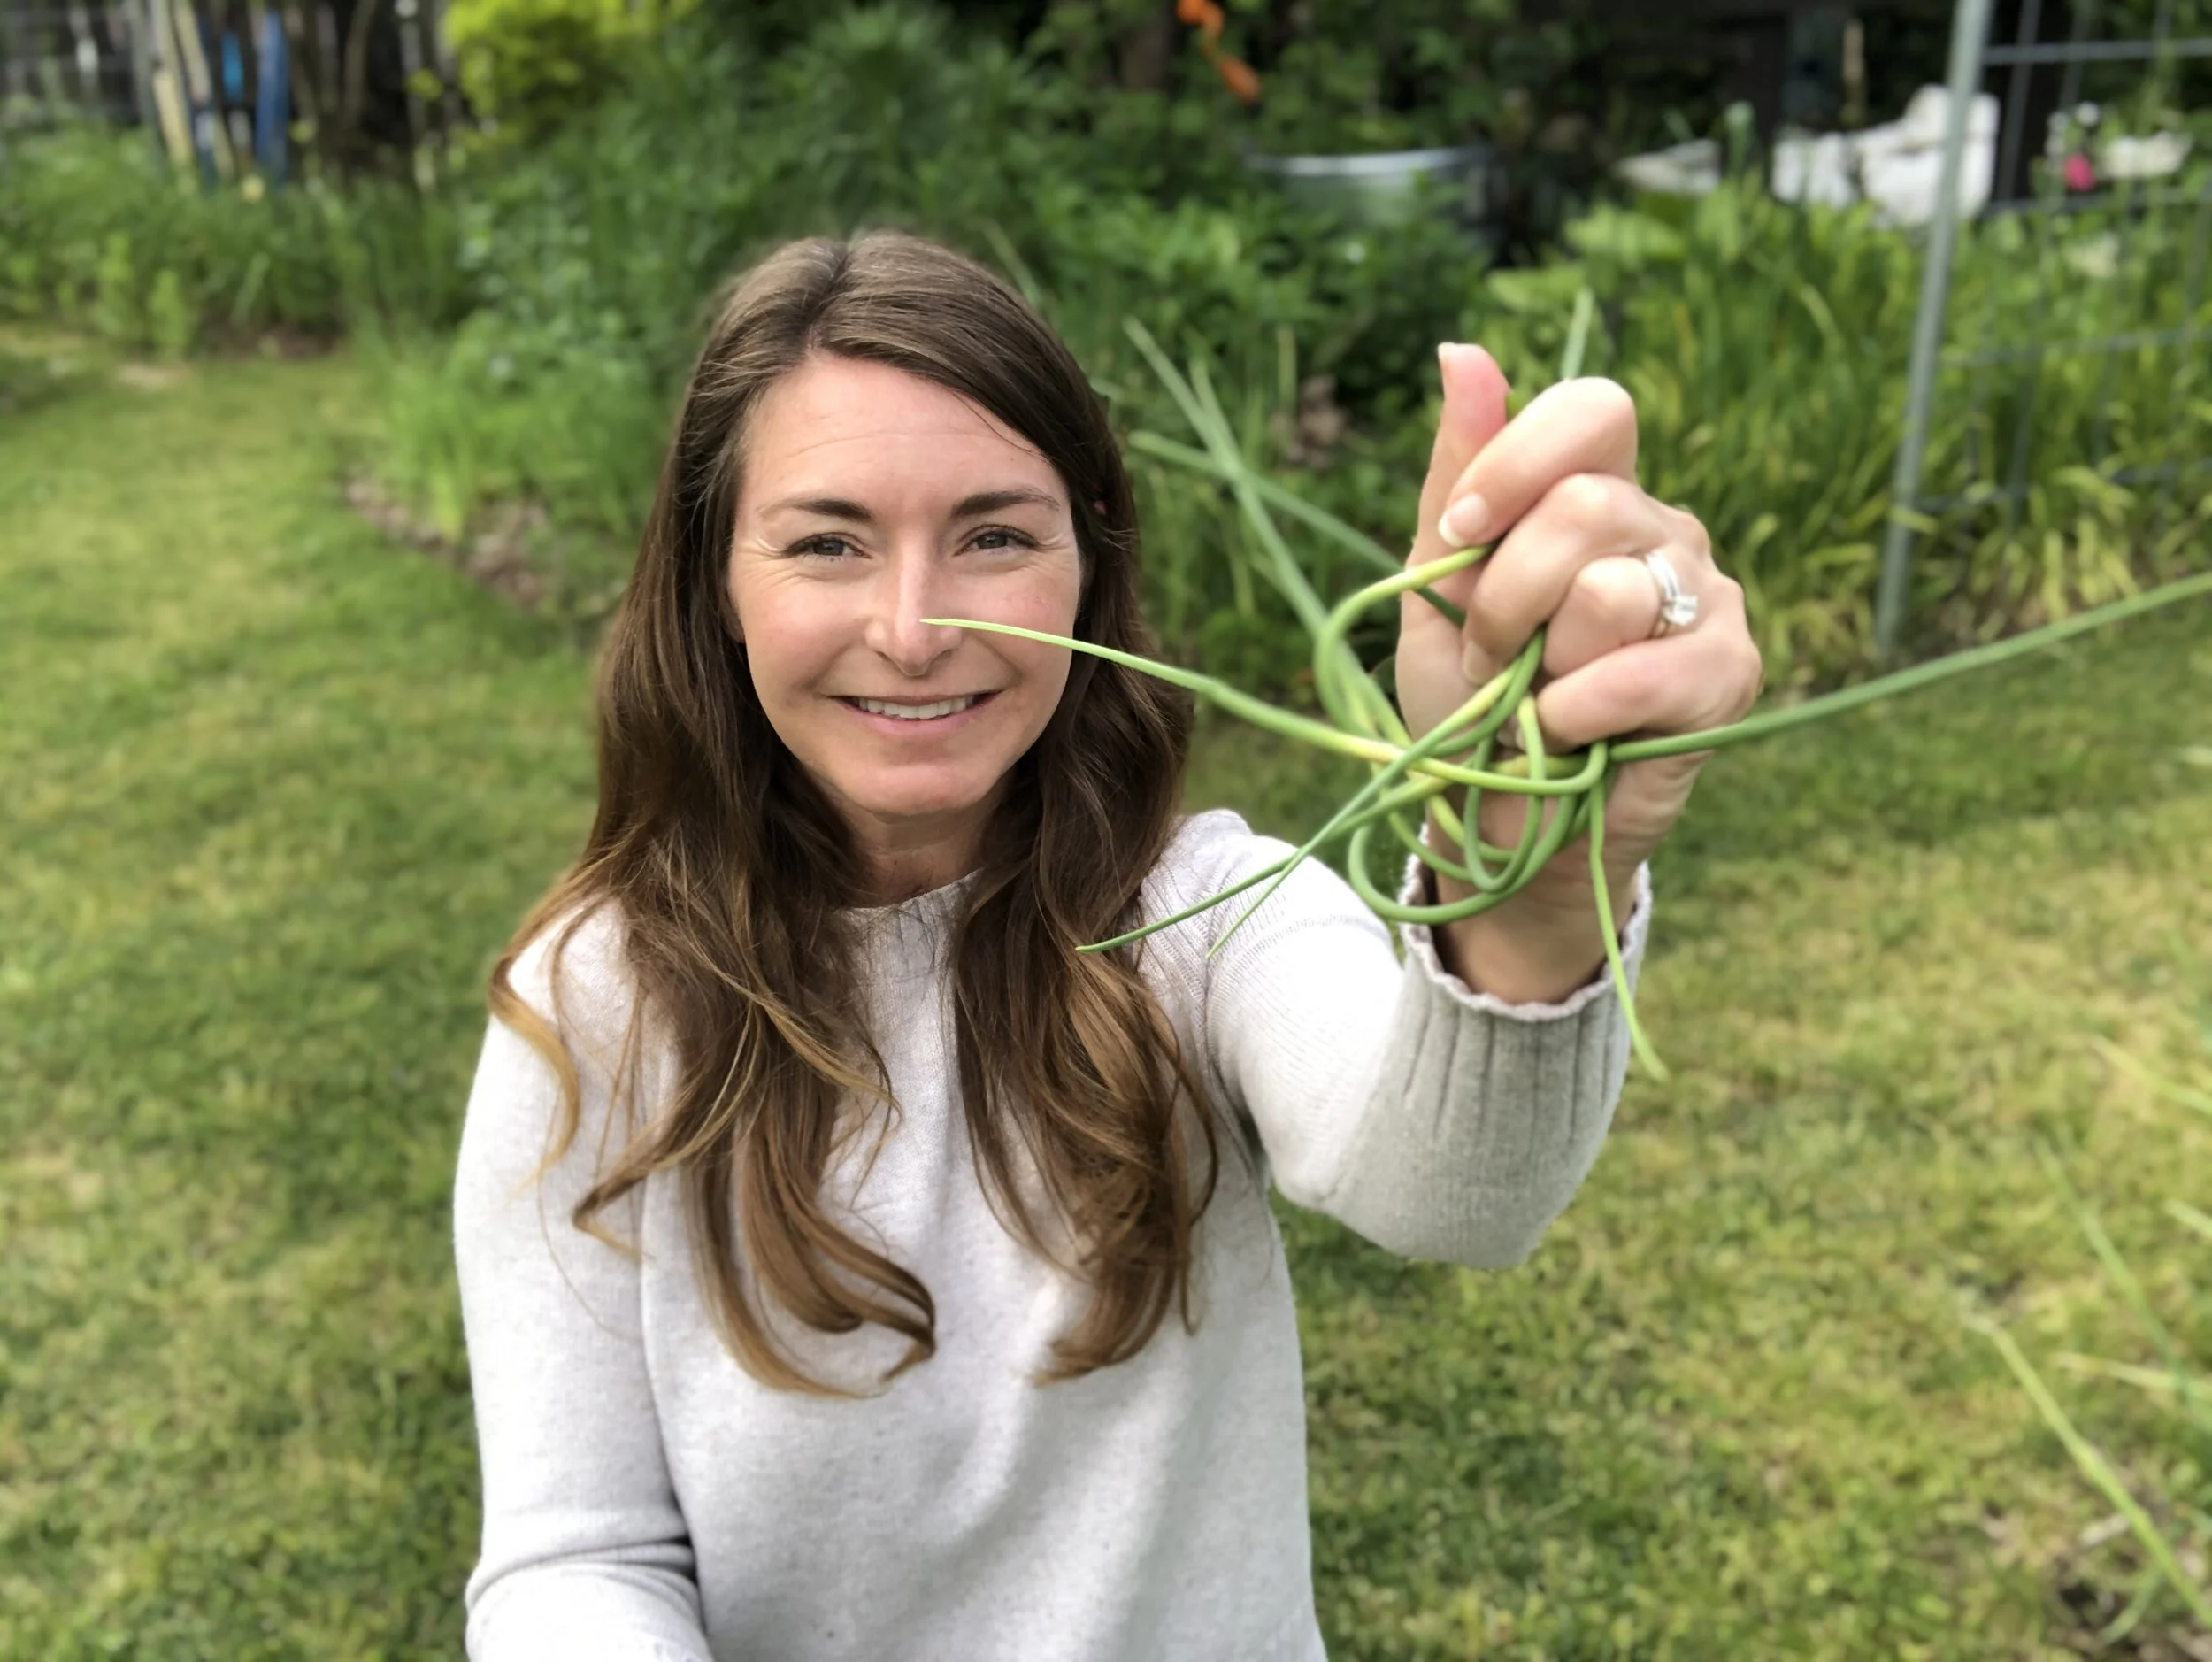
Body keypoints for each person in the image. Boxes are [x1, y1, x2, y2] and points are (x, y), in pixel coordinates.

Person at [451, 231, 1763, 1662]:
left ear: (1088, 565)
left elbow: (1457, 1193)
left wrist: (1539, 887)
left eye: (995, 535)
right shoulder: (593, 1001)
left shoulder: (1202, 916)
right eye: (828, 540)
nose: (911, 628)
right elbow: (578, 1558)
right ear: (716, 582)